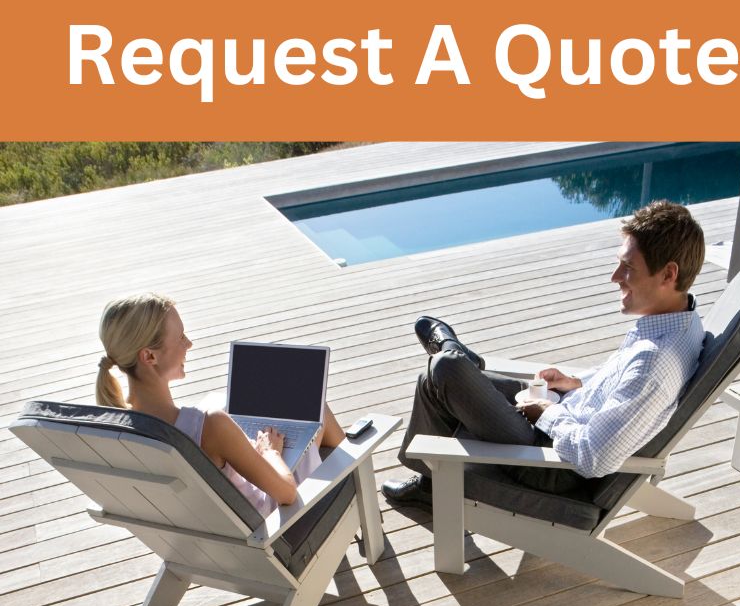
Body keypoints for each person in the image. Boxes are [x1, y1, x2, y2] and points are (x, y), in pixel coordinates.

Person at [382, 200, 706, 508]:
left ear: (668, 274)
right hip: (563, 414)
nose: (615, 277)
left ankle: (454, 357)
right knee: (434, 377)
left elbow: (595, 456)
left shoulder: (656, 361)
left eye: (628, 267)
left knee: (447, 369)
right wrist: (576, 381)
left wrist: (544, 414)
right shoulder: (680, 324)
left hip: (552, 463)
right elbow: (624, 384)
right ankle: (430, 484)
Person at [95, 293, 344, 516]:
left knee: (223, 401)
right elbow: (287, 493)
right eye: (181, 337)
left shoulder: (114, 430)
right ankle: (351, 482)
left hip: (205, 538)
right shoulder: (211, 426)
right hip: (269, 526)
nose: (189, 344)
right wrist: (269, 452)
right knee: (313, 405)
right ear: (149, 356)